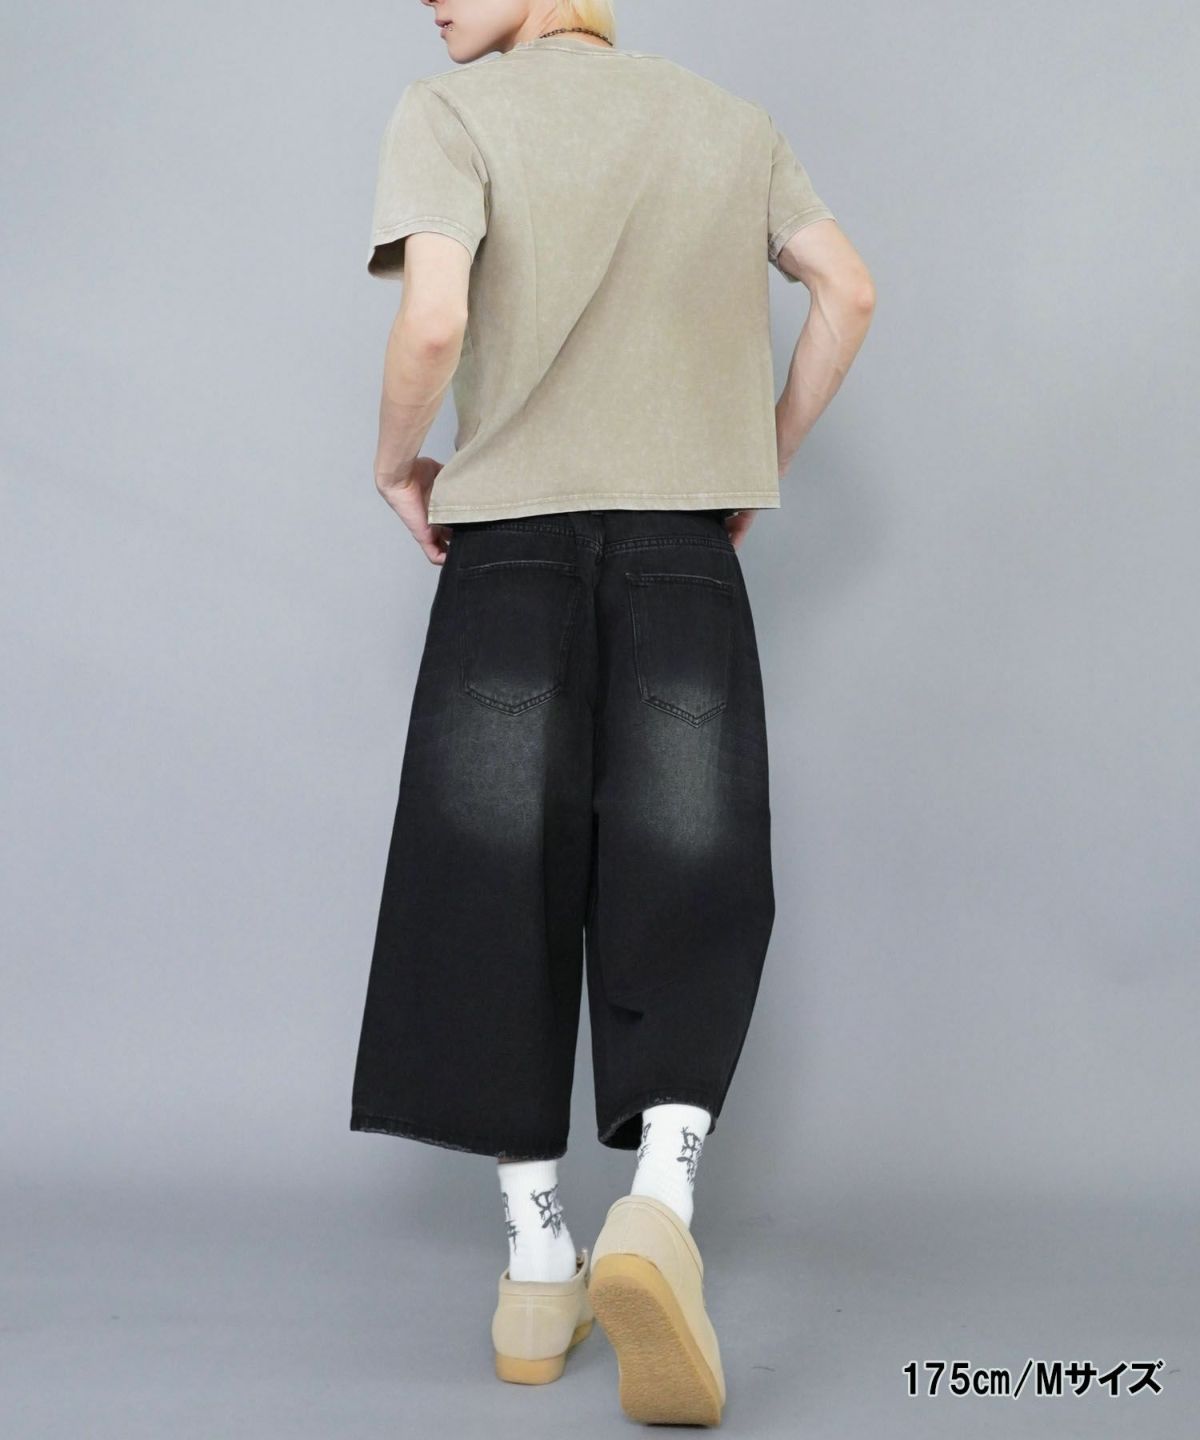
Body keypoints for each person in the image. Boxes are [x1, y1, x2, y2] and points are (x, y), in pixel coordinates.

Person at [349, 0, 875, 1423]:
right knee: (689, 870)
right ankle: (660, 1205)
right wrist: (754, 457)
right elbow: (849, 292)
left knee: (488, 879)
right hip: (681, 547)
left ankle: (538, 1262)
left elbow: (436, 316)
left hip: (508, 550)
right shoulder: (729, 124)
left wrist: (396, 463)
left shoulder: (450, 114)